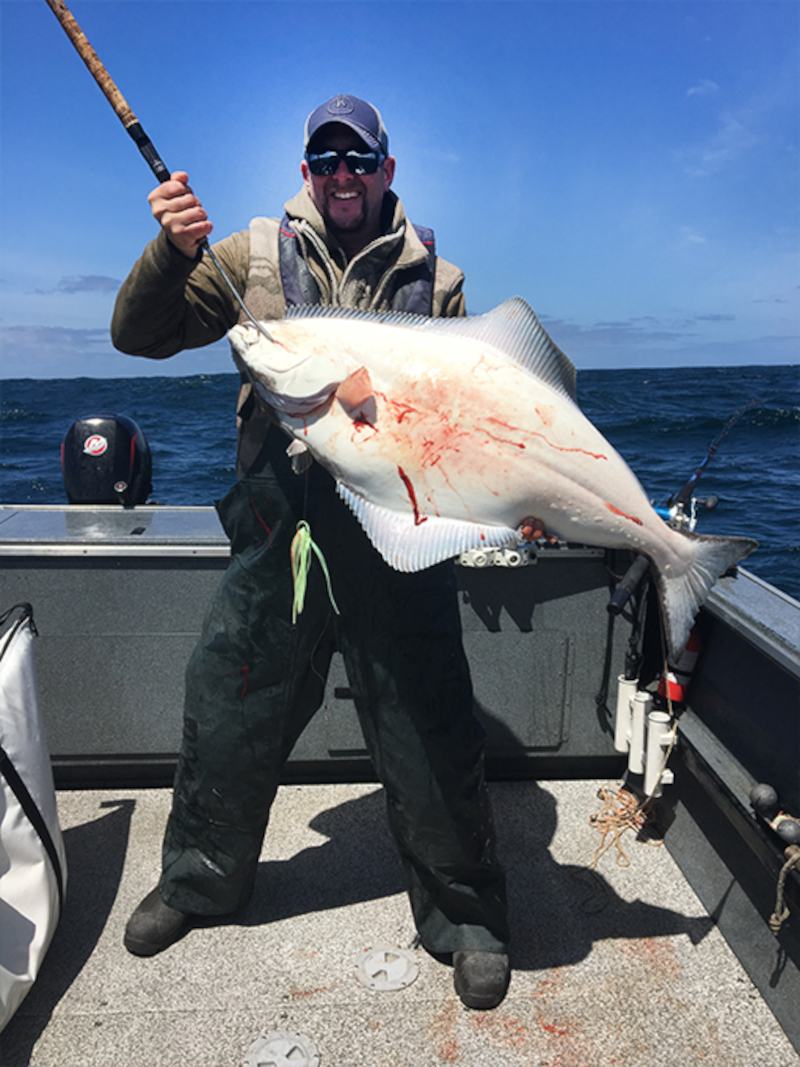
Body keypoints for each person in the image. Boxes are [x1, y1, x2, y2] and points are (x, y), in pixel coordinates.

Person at [112, 94, 541, 1011]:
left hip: (396, 541)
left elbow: (461, 425)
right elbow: (137, 335)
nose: (341, 174)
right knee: (226, 701)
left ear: (389, 169)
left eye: (359, 158)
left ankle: (466, 914)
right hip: (280, 536)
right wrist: (172, 251)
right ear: (306, 172)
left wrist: (516, 499)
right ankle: (198, 880)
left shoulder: (443, 280)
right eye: (324, 160)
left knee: (431, 722)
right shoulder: (250, 259)